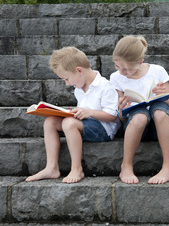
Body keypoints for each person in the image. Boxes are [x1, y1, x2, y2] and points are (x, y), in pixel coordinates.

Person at [26, 47, 120, 184]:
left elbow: (113, 116)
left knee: (68, 123)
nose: (67, 83)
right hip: (86, 124)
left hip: (104, 129)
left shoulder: (105, 86)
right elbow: (84, 111)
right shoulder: (79, 88)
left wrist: (89, 113)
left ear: (79, 70)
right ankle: (51, 167)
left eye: (67, 78)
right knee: (50, 122)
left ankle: (77, 169)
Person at [110, 35, 169, 184]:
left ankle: (168, 166)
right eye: (117, 66)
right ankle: (126, 165)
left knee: (159, 110)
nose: (121, 72)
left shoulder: (157, 71)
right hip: (136, 125)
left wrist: (164, 95)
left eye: (127, 69)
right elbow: (121, 118)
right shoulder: (116, 78)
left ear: (141, 61)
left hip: (160, 125)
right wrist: (121, 110)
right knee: (140, 115)